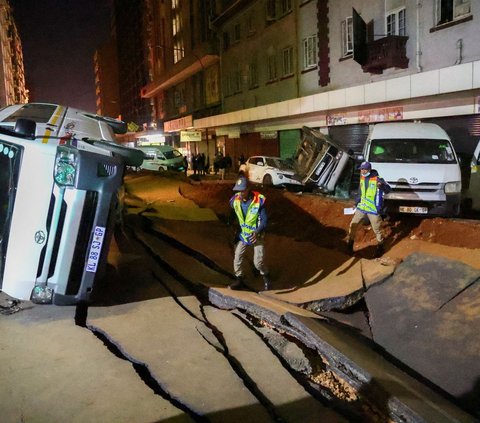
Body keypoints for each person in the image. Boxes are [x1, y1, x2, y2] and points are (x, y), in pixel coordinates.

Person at [229, 176, 270, 291]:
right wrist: (231, 226)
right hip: (244, 235)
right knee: (237, 257)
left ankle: (266, 275)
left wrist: (256, 232)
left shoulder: (258, 201)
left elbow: (264, 220)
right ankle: (239, 279)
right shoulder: (235, 201)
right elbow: (232, 214)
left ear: (248, 189)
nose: (240, 193)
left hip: (257, 235)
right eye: (238, 190)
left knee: (258, 262)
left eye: (243, 190)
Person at [347, 161, 391, 257]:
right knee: (353, 225)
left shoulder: (378, 179)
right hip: (362, 207)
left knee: (377, 229)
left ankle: (380, 246)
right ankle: (349, 245)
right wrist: (356, 203)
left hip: (373, 209)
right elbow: (360, 192)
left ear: (369, 169)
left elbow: (388, 189)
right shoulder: (362, 178)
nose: (362, 171)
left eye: (364, 169)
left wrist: (382, 186)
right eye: (361, 169)